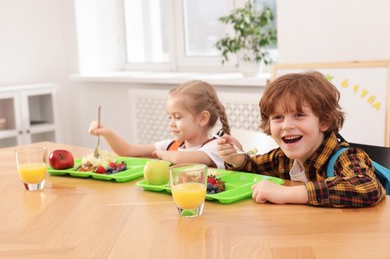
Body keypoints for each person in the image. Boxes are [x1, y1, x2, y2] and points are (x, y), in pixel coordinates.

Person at [217, 71, 385, 207]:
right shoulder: (282, 158)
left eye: (299, 115)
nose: (286, 125)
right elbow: (252, 167)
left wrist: (287, 194)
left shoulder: (346, 157)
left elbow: (367, 188)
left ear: (324, 121)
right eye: (278, 117)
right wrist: (236, 159)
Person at [89, 80, 230, 169]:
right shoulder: (171, 146)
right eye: (169, 117)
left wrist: (159, 155)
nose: (171, 124)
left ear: (203, 118)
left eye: (177, 117)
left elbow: (180, 159)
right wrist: (107, 133)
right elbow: (129, 150)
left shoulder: (216, 147)